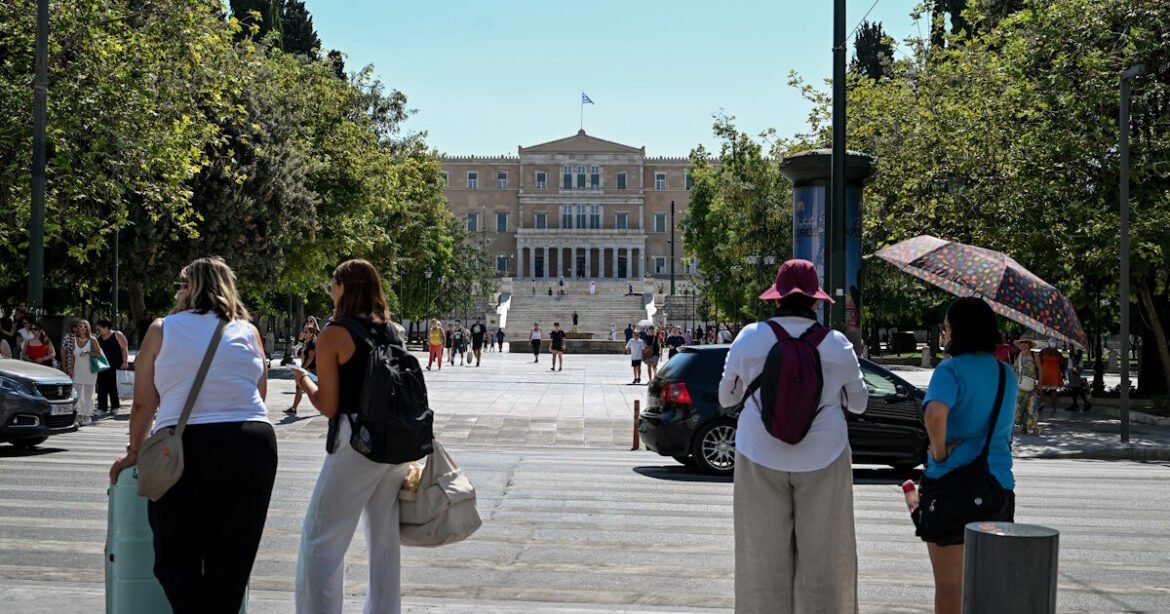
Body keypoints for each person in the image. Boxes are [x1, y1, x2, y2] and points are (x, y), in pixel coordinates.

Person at [108, 256, 275, 613]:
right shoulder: (248, 332)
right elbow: (259, 393)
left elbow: (143, 404)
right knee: (231, 562)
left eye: (181, 284)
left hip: (186, 447)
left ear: (191, 288)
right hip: (253, 442)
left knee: (174, 556)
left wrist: (134, 451)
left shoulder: (162, 329)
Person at [717, 259, 868, 614]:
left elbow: (727, 398)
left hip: (759, 453)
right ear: (817, 301)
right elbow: (859, 405)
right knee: (827, 557)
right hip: (824, 455)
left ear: (776, 299)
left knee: (760, 556)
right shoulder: (838, 344)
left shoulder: (750, 337)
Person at [289, 259, 414, 614]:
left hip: (356, 440)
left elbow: (328, 405)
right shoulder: (391, 330)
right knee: (384, 541)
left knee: (320, 537)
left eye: (334, 283)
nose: (330, 290)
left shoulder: (334, 334)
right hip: (394, 442)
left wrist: (304, 380)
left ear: (347, 287)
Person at [917, 297, 1017, 614]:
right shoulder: (1006, 374)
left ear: (957, 330)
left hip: (950, 488)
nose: (945, 334)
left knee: (950, 585)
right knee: (987, 583)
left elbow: (935, 413)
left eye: (947, 327)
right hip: (997, 489)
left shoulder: (950, 370)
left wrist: (939, 450)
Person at [70, 319, 103, 425]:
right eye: (80, 326)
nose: (83, 328)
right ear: (77, 328)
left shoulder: (92, 340)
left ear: (88, 328)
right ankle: (78, 414)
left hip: (90, 371)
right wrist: (71, 369)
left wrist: (88, 352)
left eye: (85, 326)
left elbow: (99, 354)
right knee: (77, 393)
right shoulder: (74, 339)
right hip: (78, 370)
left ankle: (87, 416)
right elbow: (72, 356)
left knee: (88, 394)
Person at [95, 319, 130, 416]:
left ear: (106, 327)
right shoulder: (99, 338)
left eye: (99, 329)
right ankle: (102, 407)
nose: (98, 331)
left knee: (114, 386)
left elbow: (124, 348)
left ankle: (115, 406)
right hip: (102, 366)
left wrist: (125, 361)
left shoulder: (117, 335)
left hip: (116, 364)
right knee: (102, 386)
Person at [285, 320, 319, 416]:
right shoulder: (306, 342)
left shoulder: (312, 344)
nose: (303, 333)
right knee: (298, 387)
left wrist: (303, 368)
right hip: (308, 369)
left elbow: (311, 358)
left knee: (321, 389)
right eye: (304, 331)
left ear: (312, 333)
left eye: (306, 332)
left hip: (313, 370)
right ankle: (293, 408)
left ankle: (332, 405)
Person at [1013, 337, 1040, 435]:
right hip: (1020, 385)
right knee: (1021, 406)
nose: (1024, 344)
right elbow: (1014, 369)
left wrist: (1040, 383)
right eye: (1022, 343)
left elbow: (1040, 369)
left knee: (1032, 405)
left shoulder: (1034, 355)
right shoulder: (1018, 356)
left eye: (1026, 342)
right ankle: (1023, 427)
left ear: (1029, 344)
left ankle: (1035, 427)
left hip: (1031, 385)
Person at [1037, 338, 1064, 412]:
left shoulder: (1043, 351)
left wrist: (1038, 373)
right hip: (1054, 373)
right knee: (1053, 390)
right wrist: (1062, 374)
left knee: (1042, 389)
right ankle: (1053, 406)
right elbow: (1062, 364)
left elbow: (1039, 362)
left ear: (1048, 344)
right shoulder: (1058, 353)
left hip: (1044, 371)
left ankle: (1042, 403)